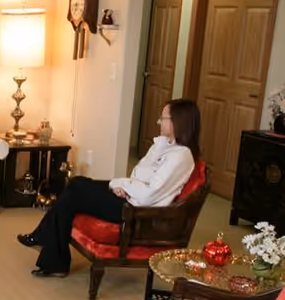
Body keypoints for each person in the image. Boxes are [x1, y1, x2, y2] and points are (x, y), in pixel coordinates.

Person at [17, 98, 201, 277]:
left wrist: (122, 186)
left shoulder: (180, 157)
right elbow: (138, 175)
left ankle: (47, 245)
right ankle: (51, 253)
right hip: (129, 197)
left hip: (136, 210)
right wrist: (125, 187)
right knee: (76, 184)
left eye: (164, 118)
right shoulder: (162, 146)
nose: (159, 121)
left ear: (178, 121)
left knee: (75, 188)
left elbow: (149, 194)